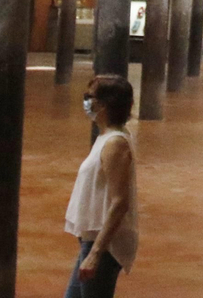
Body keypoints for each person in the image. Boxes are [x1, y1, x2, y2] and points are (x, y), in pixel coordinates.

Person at [63, 74, 139, 298]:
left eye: (90, 97)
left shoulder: (115, 143)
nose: (86, 102)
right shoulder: (106, 137)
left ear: (104, 104)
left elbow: (120, 202)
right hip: (93, 239)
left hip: (104, 244)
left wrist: (96, 252)